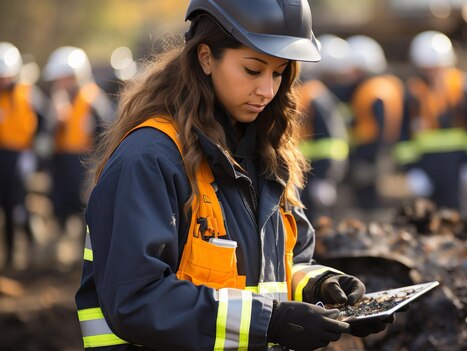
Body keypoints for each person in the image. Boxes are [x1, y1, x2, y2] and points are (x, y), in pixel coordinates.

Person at [75, 1, 395, 350]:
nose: (268, 91)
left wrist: (320, 285)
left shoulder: (267, 156)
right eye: (253, 70)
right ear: (206, 57)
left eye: (278, 73)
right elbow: (135, 298)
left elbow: (280, 270)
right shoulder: (149, 159)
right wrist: (271, 321)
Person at [394, 31, 467, 210]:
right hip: (426, 167)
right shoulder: (412, 93)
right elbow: (404, 136)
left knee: (458, 215)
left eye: (436, 67)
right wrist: (412, 171)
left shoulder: (465, 88)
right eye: (427, 68)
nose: (432, 73)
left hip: (456, 166)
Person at [43, 46, 113, 237]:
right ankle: (60, 248)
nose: (58, 83)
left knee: (85, 208)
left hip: (85, 163)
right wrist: (55, 121)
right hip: (62, 162)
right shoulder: (60, 102)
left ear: (75, 75)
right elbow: (47, 138)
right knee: (60, 204)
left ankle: (84, 254)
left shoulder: (92, 99)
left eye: (62, 77)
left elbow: (105, 134)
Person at [343, 35, 406, 211]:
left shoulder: (372, 89)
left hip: (370, 150)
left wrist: (373, 156)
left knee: (369, 196)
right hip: (379, 148)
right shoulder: (389, 84)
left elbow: (380, 123)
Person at [0, 42, 49, 268]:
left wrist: (34, 153)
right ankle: (9, 255)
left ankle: (31, 250)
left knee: (18, 206)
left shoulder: (28, 93)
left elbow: (44, 122)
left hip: (20, 156)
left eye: (6, 77)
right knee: (5, 207)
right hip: (2, 155)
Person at [297, 50, 350, 223]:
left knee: (314, 224)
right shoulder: (291, 92)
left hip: (314, 174)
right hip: (297, 174)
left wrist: (327, 177)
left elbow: (333, 142)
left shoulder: (315, 94)